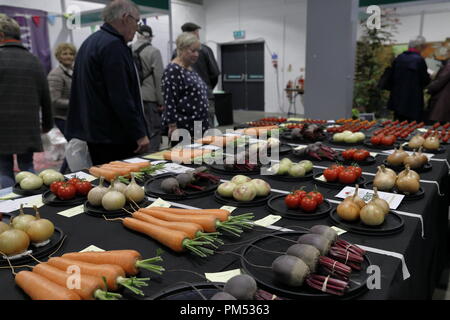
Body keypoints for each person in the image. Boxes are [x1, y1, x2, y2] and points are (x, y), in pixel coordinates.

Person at [65, 0, 149, 165]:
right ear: (126, 18)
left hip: (96, 133)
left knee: (103, 184)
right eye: (137, 21)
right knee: (121, 185)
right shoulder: (113, 46)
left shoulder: (91, 42)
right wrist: (139, 133)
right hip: (114, 136)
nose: (137, 27)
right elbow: (121, 96)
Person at [0, 14, 53, 188]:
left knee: (3, 170)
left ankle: (8, 209)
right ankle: (34, 206)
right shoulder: (34, 60)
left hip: (2, 126)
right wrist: (47, 123)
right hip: (27, 125)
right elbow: (46, 96)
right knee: (28, 168)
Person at [162, 32, 209, 144]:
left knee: (199, 159)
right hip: (184, 127)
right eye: (193, 51)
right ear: (181, 49)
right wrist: (172, 126)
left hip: (198, 125)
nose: (196, 54)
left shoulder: (189, 68)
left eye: (198, 51)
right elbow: (169, 100)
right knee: (185, 160)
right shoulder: (173, 70)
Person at [176, 22, 220, 128]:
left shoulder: (177, 53)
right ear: (194, 33)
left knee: (191, 137)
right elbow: (215, 73)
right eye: (197, 32)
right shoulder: (205, 50)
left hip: (184, 102)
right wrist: (207, 88)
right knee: (205, 135)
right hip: (205, 98)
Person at [131, 24, 164, 153]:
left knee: (139, 132)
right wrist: (162, 101)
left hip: (134, 98)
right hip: (150, 97)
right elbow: (159, 77)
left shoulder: (128, 49)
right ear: (150, 37)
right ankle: (152, 159)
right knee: (154, 130)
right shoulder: (154, 51)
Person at [47, 43, 77, 173]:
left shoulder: (74, 70)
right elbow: (54, 100)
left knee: (73, 146)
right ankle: (62, 174)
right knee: (73, 145)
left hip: (72, 116)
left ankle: (63, 174)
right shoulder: (55, 74)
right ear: (58, 56)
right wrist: (76, 103)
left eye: (71, 53)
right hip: (61, 117)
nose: (68, 56)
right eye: (65, 54)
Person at [387, 36, 431, 122]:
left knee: (398, 124)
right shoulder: (419, 60)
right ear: (419, 47)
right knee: (413, 125)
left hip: (398, 97)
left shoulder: (399, 58)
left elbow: (391, 77)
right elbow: (425, 79)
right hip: (413, 99)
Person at [426, 56, 450, 123]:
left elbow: (440, 81)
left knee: (439, 129)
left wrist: (429, 88)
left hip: (444, 102)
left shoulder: (448, 65)